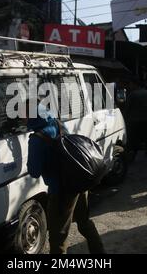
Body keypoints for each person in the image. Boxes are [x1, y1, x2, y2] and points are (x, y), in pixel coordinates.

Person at [25, 100, 105, 254]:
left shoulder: (36, 139)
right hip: (79, 181)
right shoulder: (57, 123)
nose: (22, 119)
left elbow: (34, 172)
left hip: (61, 191)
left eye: (24, 114)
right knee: (84, 222)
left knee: (58, 236)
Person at [124, 78, 147, 160]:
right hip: (145, 118)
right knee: (143, 136)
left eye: (130, 84)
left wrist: (124, 117)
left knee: (132, 138)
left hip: (133, 119)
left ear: (135, 84)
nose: (129, 86)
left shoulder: (133, 94)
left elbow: (127, 108)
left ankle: (132, 153)